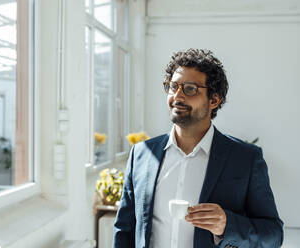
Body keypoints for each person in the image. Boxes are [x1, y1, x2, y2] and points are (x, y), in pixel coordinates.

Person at [113, 48, 283, 248]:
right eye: (173, 86)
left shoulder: (245, 158)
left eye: (190, 88)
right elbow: (124, 230)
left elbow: (273, 235)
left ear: (214, 100)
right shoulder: (142, 154)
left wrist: (227, 225)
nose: (177, 96)